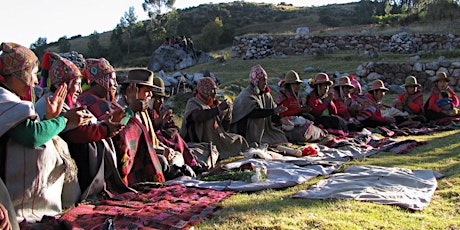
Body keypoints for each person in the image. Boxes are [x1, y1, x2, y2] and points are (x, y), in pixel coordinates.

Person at [0, 42, 89, 222]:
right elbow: (32, 135)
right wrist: (64, 120)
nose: (34, 80)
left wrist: (51, 119)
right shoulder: (4, 99)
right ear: (18, 74)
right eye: (32, 74)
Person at [35, 52, 129, 200]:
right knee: (86, 146)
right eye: (77, 85)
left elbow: (87, 123)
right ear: (66, 85)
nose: (80, 90)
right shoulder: (52, 102)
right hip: (57, 156)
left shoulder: (68, 103)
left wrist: (106, 122)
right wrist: (105, 129)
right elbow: (74, 133)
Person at [78, 61, 166, 186]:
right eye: (112, 80)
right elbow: (115, 130)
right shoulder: (90, 100)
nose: (115, 84)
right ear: (102, 80)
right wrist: (131, 110)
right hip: (108, 159)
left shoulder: (109, 102)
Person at [117, 69, 191, 183]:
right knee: (161, 161)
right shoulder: (121, 109)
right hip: (133, 161)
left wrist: (163, 148)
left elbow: (149, 138)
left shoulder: (141, 111)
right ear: (133, 89)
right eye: (147, 91)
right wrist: (160, 151)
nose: (150, 95)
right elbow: (130, 142)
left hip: (150, 152)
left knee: (176, 155)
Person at [181, 77, 249, 159]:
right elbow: (197, 116)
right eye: (213, 90)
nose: (215, 93)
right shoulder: (193, 102)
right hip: (200, 141)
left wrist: (227, 116)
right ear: (205, 90)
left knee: (239, 140)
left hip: (218, 139)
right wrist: (218, 109)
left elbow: (223, 128)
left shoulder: (214, 104)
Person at [230, 64, 290, 146]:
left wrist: (280, 119)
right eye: (263, 80)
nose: (265, 83)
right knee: (259, 119)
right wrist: (273, 111)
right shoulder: (246, 95)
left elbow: (270, 113)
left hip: (264, 130)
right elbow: (253, 113)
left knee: (281, 137)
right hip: (247, 131)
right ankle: (250, 141)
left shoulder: (266, 95)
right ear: (256, 81)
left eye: (266, 80)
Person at [149, 76, 200, 170]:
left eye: (162, 99)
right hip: (155, 140)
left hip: (164, 136)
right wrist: (161, 120)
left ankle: (192, 163)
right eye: (158, 98)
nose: (161, 102)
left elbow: (171, 126)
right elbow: (149, 129)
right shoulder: (147, 111)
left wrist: (168, 124)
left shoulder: (161, 109)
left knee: (175, 135)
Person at [275, 70, 325, 143]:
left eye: (298, 84)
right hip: (286, 119)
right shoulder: (284, 97)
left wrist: (303, 109)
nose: (298, 86)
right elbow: (283, 113)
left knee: (310, 117)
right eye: (296, 84)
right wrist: (299, 110)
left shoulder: (297, 96)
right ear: (290, 85)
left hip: (297, 116)